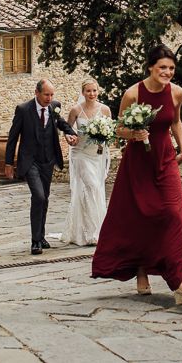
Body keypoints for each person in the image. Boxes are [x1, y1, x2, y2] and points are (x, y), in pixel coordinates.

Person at [91, 44, 182, 305]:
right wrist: (134, 134)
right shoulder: (133, 93)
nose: (168, 72)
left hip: (165, 159)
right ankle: (141, 269)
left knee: (173, 214)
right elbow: (117, 129)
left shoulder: (176, 92)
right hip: (139, 162)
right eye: (163, 67)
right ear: (150, 66)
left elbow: (175, 121)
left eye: (172, 68)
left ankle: (181, 285)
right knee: (140, 215)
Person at [5, 78, 78, 255]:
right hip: (30, 161)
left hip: (48, 159)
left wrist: (70, 133)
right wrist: (8, 163)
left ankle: (42, 236)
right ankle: (35, 241)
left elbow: (60, 122)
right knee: (38, 196)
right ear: (36, 93)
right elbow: (13, 137)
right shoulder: (23, 110)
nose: (49, 98)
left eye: (52, 94)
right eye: (46, 94)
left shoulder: (54, 106)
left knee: (44, 197)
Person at [60, 78, 112, 246]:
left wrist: (104, 136)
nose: (92, 94)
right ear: (83, 93)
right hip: (80, 153)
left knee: (94, 190)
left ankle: (91, 229)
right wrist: (69, 138)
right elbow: (67, 131)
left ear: (98, 91)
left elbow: (110, 132)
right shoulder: (76, 109)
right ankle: (93, 232)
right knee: (92, 186)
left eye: (94, 91)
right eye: (88, 91)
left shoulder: (105, 110)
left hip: (97, 154)